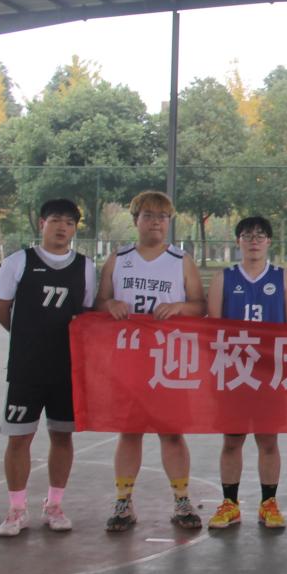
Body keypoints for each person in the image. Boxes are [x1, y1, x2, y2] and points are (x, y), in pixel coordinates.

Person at [96, 191, 207, 532]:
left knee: (171, 432)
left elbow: (200, 306)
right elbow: (99, 302)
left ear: (169, 222)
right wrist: (110, 304)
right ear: (136, 220)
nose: (156, 222)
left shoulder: (180, 260)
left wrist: (180, 307)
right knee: (129, 432)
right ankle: (123, 501)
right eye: (148, 215)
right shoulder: (118, 259)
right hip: (128, 360)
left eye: (162, 216)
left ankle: (182, 499)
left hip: (167, 360)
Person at [0, 199, 95, 537]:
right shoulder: (19, 261)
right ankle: (16, 508)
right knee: (19, 437)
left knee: (62, 436)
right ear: (42, 224)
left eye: (69, 222)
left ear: (75, 228)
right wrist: (25, 337)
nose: (62, 227)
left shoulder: (85, 267)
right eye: (56, 220)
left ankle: (54, 505)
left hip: (66, 369)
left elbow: (87, 314)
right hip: (27, 368)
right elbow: (1, 307)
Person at [206, 216, 287, 530]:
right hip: (234, 373)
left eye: (260, 235)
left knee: (268, 440)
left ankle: (268, 503)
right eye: (247, 235)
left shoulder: (283, 277)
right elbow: (212, 329)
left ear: (269, 241)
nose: (254, 240)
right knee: (232, 440)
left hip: (269, 373)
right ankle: (229, 504)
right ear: (238, 241)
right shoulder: (224, 278)